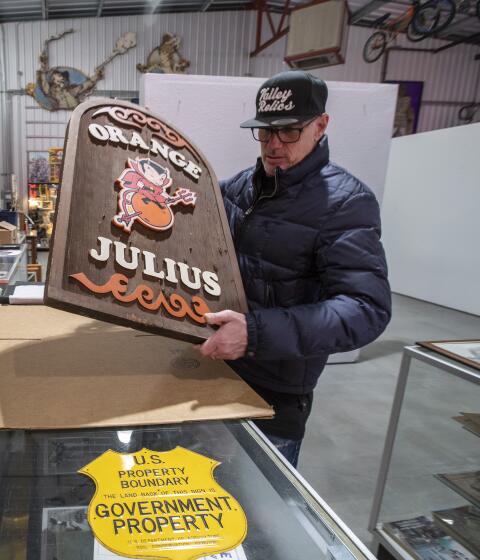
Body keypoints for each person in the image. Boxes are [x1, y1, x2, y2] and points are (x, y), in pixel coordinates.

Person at [198, 71, 392, 467]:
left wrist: (254, 334)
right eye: (265, 132)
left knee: (263, 513)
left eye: (288, 132)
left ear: (321, 125)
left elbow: (366, 309)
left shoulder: (347, 202)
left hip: (276, 392)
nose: (273, 145)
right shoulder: (240, 187)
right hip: (214, 367)